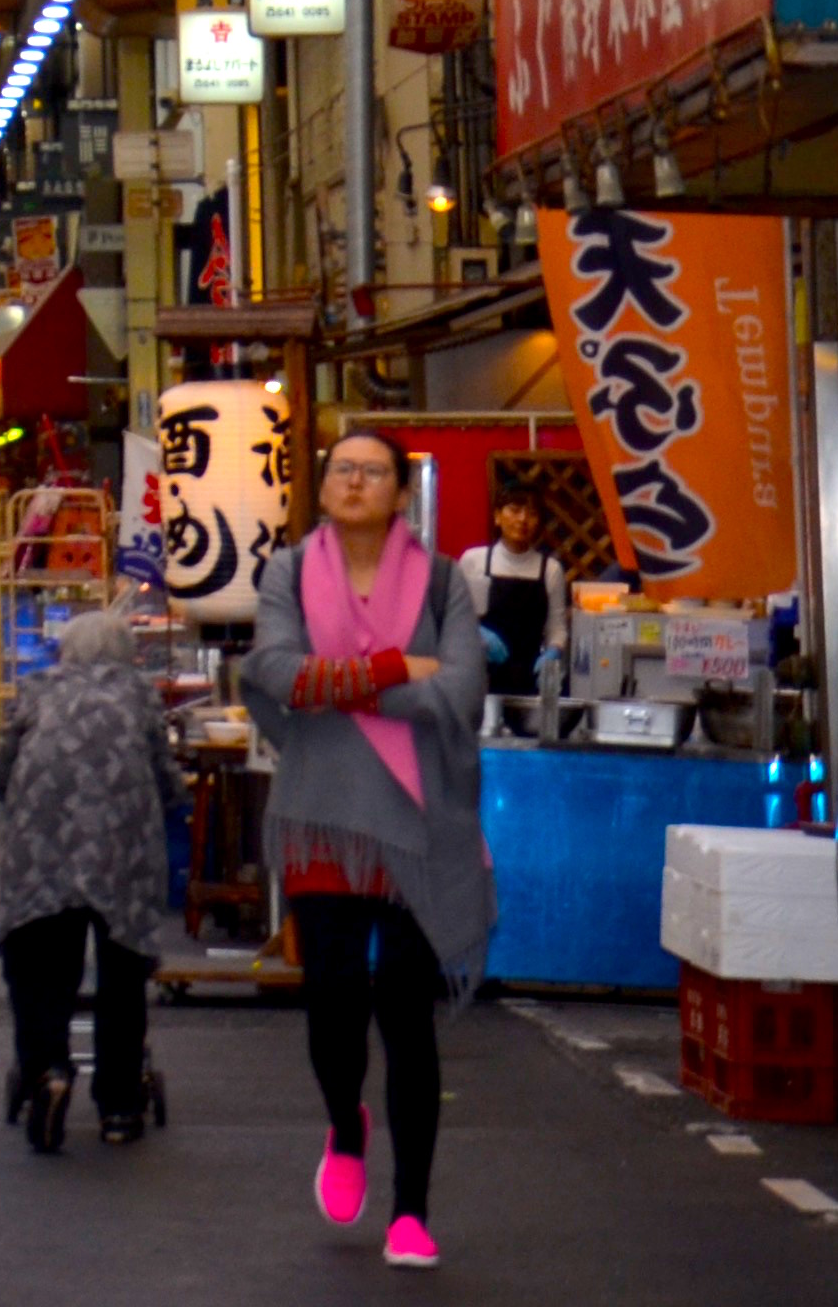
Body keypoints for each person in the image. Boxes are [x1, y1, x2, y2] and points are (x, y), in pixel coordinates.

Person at [238, 426, 493, 1273]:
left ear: (398, 492)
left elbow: (460, 690)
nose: (354, 482)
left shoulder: (445, 580)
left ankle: (412, 1210)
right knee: (335, 1001)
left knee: (407, 1013)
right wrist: (394, 669)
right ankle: (346, 1124)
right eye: (342, 469)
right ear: (321, 486)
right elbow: (275, 672)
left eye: (373, 471)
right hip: (323, 815)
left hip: (420, 821)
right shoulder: (285, 572)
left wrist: (339, 681)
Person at [0, 603, 175, 1150]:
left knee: (40, 964)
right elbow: (163, 774)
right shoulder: (139, 694)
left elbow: (1, 768)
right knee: (122, 966)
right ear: (126, 653)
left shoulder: (40, 687)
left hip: (42, 842)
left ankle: (47, 1069)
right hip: (122, 843)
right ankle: (118, 1106)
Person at [455, 488, 568, 714]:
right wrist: (479, 636)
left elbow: (557, 627)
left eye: (532, 513)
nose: (523, 519)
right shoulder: (474, 561)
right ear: (497, 516)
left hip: (528, 681)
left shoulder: (550, 570)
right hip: (479, 679)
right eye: (515, 510)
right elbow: (455, 619)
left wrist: (553, 652)